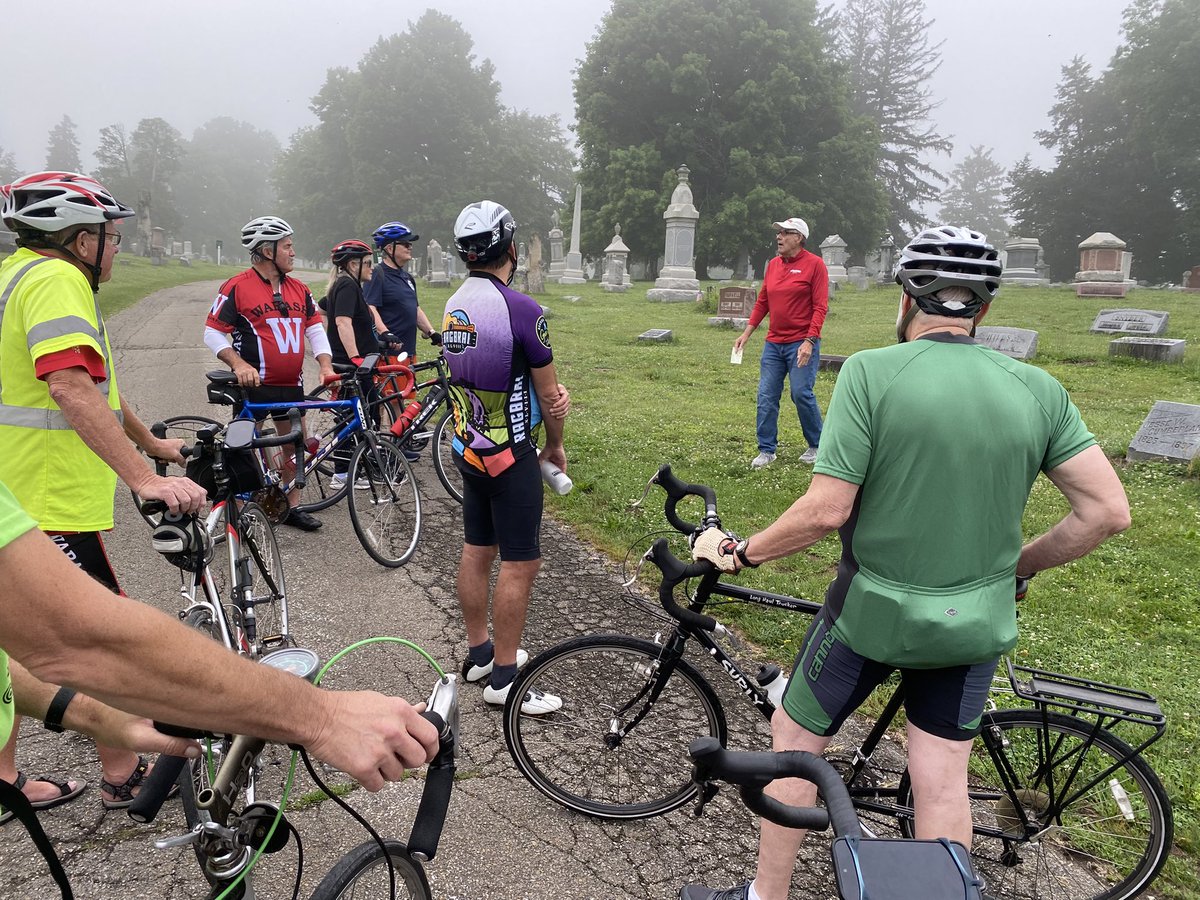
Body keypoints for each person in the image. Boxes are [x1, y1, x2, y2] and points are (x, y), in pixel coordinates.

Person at [683, 226, 1131, 900]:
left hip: (868, 616)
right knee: (942, 778)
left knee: (796, 745)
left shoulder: (871, 372)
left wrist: (741, 552)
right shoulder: (1039, 389)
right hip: (974, 623)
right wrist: (1016, 567)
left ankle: (765, 896)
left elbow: (825, 510)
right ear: (982, 309)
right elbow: (1107, 512)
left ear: (906, 298)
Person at [0, 477, 438, 797]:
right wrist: (322, 717)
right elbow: (74, 639)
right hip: (51, 500)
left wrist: (95, 715)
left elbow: (18, 647)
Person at [0, 171, 210, 814]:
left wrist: (153, 445)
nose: (116, 246)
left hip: (21, 490)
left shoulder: (19, 274)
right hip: (47, 497)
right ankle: (122, 772)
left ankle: (4, 776)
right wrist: (144, 479)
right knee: (100, 637)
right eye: (110, 235)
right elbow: (68, 387)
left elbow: (99, 390)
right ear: (78, 239)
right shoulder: (59, 281)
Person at [442, 201, 570, 716]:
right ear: (512, 250)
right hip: (511, 456)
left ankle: (478, 655)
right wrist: (555, 441)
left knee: (477, 550)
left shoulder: (454, 303)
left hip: (466, 447)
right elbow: (551, 394)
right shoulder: (524, 310)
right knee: (521, 563)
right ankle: (505, 679)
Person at [203, 215, 335, 531]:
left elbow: (315, 329)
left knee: (294, 446)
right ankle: (239, 510)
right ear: (266, 250)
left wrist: (326, 365)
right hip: (253, 386)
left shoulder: (300, 289)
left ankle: (291, 507)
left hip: (291, 385)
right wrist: (238, 364)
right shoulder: (237, 287)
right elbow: (212, 332)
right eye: (287, 246)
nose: (292, 252)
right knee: (244, 449)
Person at [733, 217, 829, 468]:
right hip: (774, 344)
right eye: (779, 233)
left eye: (786, 233)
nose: (779, 237)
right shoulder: (773, 265)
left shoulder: (815, 265)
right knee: (766, 395)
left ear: (799, 238)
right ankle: (766, 450)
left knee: (801, 393)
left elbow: (820, 307)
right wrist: (747, 333)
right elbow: (763, 301)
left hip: (801, 342)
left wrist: (810, 340)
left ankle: (818, 444)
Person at [324, 239, 381, 487]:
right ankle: (343, 473)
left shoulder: (348, 285)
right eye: (368, 263)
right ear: (352, 264)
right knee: (351, 416)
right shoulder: (347, 285)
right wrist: (356, 357)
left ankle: (357, 468)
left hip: (358, 362)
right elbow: (342, 322)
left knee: (365, 413)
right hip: (352, 365)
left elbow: (322, 307)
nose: (372, 267)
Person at [365, 221, 441, 361]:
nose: (410, 247)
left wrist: (431, 333)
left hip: (409, 352)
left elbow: (415, 309)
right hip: (388, 353)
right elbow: (370, 307)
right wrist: (385, 332)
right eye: (405, 244)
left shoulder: (407, 277)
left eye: (410, 244)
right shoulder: (377, 274)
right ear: (389, 248)